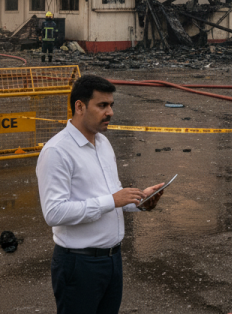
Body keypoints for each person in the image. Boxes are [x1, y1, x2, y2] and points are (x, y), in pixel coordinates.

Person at [36, 74, 165, 314]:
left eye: (111, 105)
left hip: (112, 259)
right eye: (102, 105)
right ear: (80, 106)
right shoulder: (56, 152)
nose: (110, 112)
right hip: (78, 264)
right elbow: (53, 213)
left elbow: (112, 197)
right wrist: (112, 200)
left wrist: (139, 201)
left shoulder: (103, 144)